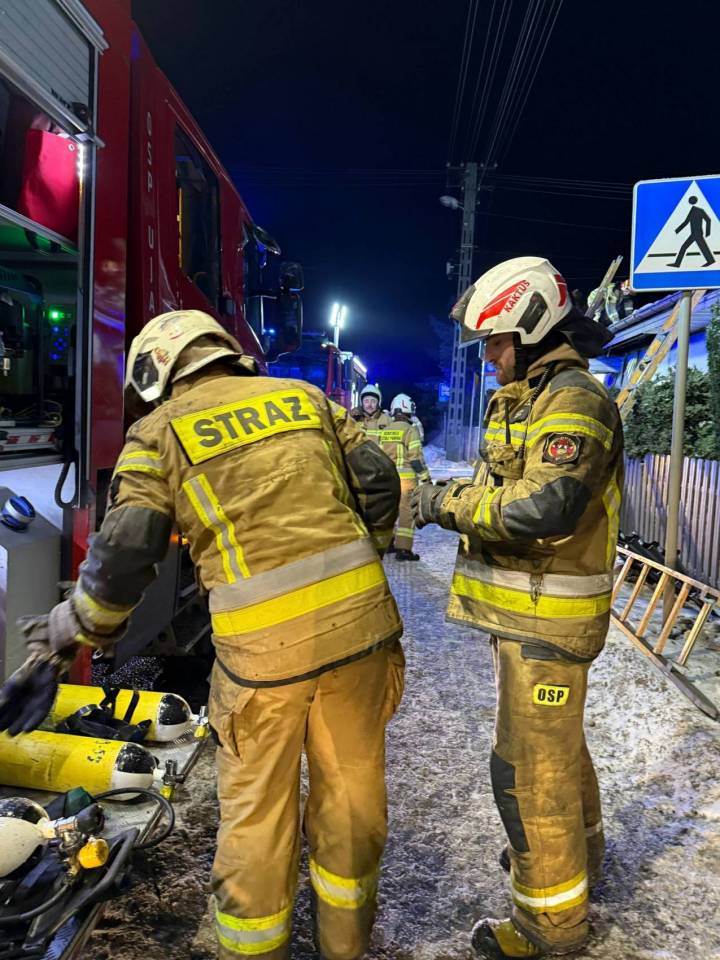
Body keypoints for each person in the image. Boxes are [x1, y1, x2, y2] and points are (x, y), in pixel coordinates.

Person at [0, 310, 406, 960]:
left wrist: (66, 633)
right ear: (222, 351)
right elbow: (380, 481)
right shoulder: (306, 398)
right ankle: (345, 946)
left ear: (155, 374)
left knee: (258, 819)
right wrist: (365, 555)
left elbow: (126, 554)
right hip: (362, 637)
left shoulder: (159, 430)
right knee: (352, 803)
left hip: (264, 659)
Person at [411, 257, 624, 959]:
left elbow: (544, 508)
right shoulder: (536, 395)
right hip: (531, 618)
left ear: (532, 329)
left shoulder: (572, 401)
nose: (490, 357)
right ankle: (576, 862)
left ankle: (549, 924)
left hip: (548, 624)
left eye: (497, 342)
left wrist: (440, 503)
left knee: (530, 776)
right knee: (558, 757)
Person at [380, 393, 430, 562]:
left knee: (390, 512)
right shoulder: (410, 430)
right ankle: (404, 549)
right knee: (407, 514)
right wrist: (426, 478)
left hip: (388, 480)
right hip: (406, 480)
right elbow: (415, 459)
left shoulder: (385, 431)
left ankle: (388, 544)